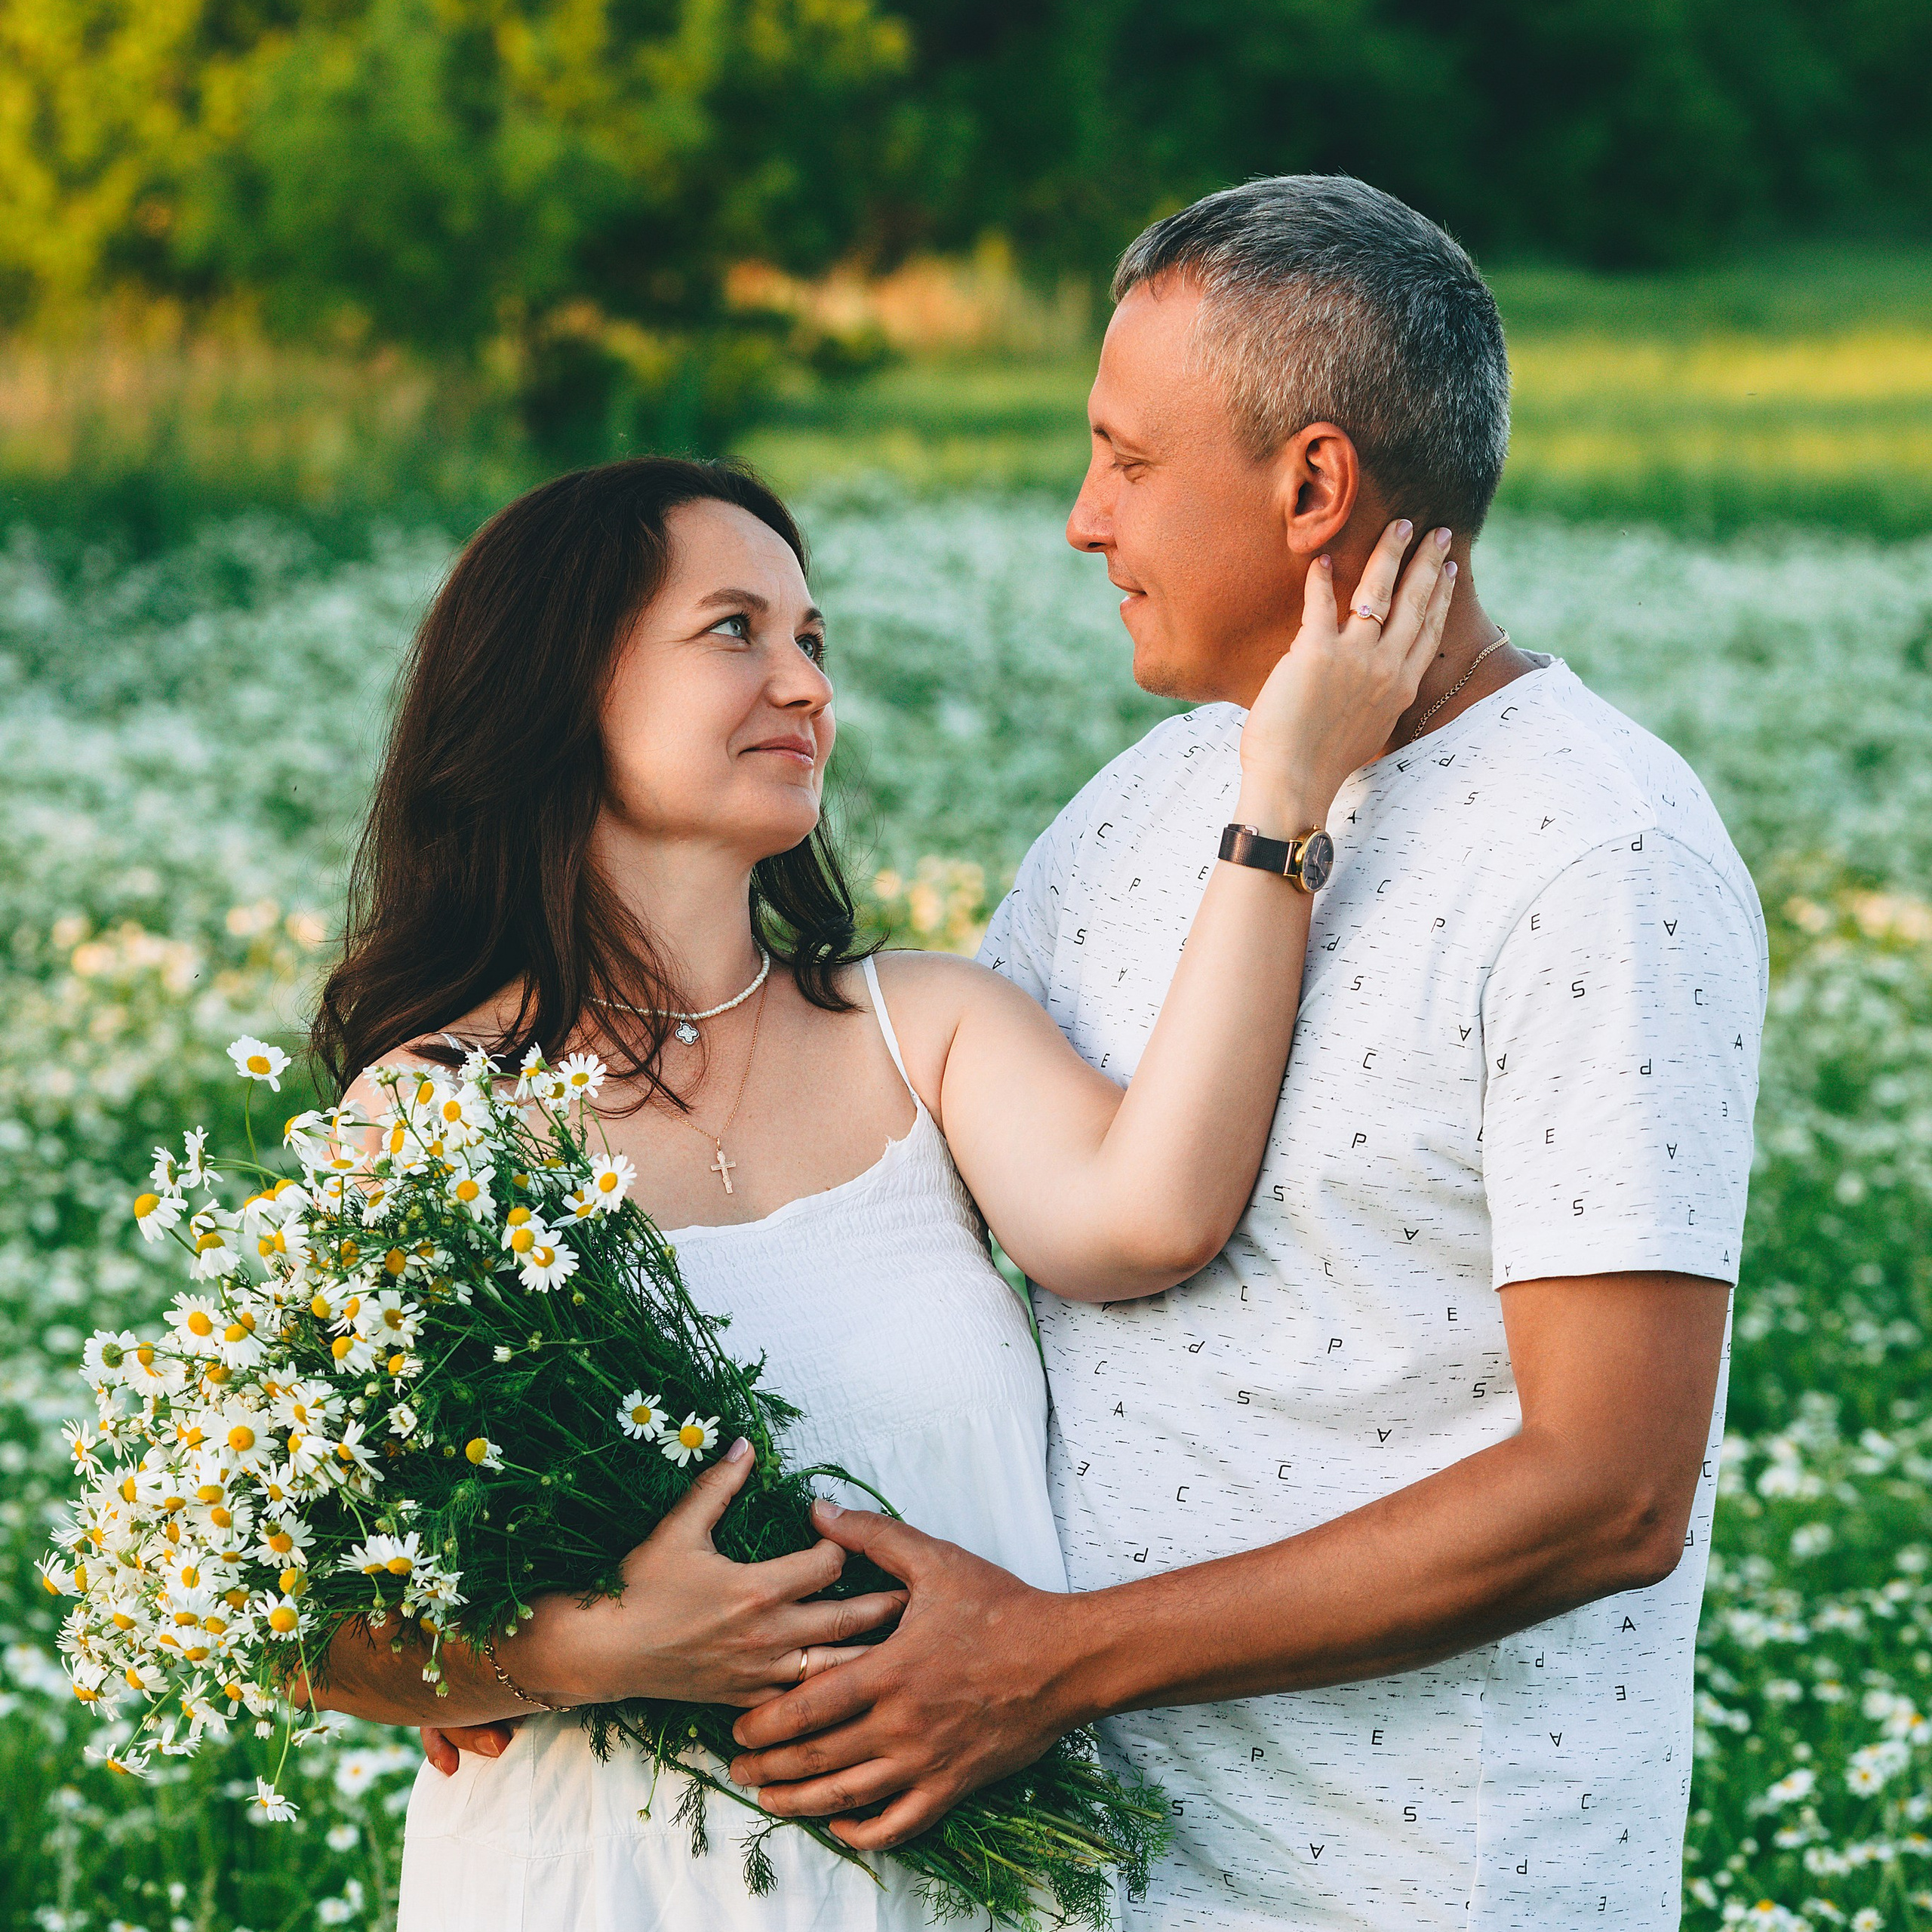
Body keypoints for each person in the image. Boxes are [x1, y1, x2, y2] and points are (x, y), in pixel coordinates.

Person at [725, 177, 1769, 1929]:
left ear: (1309, 485)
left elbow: (1608, 1488)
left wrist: (1056, 1659)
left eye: (1124, 460)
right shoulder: (1127, 821)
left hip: (1436, 1878)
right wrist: (544, 1608)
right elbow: (915, 1287)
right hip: (1085, 1874)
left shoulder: (1597, 856)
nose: (1079, 519)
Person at [300, 452, 1455, 1928]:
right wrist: (601, 1645)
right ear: (559, 683)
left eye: (813, 640)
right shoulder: (428, 1116)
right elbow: (317, 1624)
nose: (801, 683)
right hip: (602, 1883)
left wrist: (1284, 795)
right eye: (735, 630)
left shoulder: (925, 1030)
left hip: (950, 1885)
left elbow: (1151, 1215)